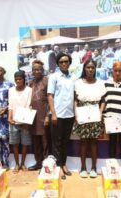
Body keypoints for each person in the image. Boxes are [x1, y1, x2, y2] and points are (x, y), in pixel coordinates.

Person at [72, 59, 106, 178]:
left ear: (95, 69)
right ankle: (83, 167)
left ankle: (93, 168)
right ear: (84, 69)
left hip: (95, 114)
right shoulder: (78, 83)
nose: (90, 70)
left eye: (92, 67)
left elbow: (103, 100)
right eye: (88, 67)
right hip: (82, 113)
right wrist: (76, 114)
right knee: (83, 142)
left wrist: (100, 113)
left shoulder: (100, 83)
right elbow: (75, 100)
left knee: (93, 143)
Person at [101, 61, 121, 176]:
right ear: (112, 71)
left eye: (120, 70)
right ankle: (112, 166)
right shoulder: (106, 84)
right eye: (115, 70)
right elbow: (104, 100)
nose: (118, 73)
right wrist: (102, 116)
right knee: (112, 143)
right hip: (110, 119)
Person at [48, 52, 75, 180]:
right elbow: (50, 96)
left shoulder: (73, 77)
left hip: (69, 115)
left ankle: (64, 164)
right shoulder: (54, 77)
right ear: (58, 64)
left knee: (65, 142)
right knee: (56, 143)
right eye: (61, 62)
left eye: (66, 61)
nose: (64, 63)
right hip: (57, 115)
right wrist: (53, 114)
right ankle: (58, 167)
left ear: (69, 63)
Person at [8, 70, 32, 173]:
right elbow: (11, 106)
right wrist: (9, 118)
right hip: (14, 121)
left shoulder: (29, 90)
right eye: (16, 79)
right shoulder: (11, 90)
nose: (18, 81)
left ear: (24, 79)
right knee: (15, 144)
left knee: (25, 143)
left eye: (20, 79)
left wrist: (26, 120)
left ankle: (23, 164)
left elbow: (29, 105)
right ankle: (17, 164)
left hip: (25, 121)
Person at [28, 60, 50, 170]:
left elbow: (51, 99)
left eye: (39, 69)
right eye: (34, 69)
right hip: (32, 117)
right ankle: (38, 163)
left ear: (42, 70)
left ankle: (46, 164)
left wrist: (47, 116)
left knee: (45, 141)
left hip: (43, 116)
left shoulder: (47, 81)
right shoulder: (30, 83)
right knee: (35, 141)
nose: (36, 71)